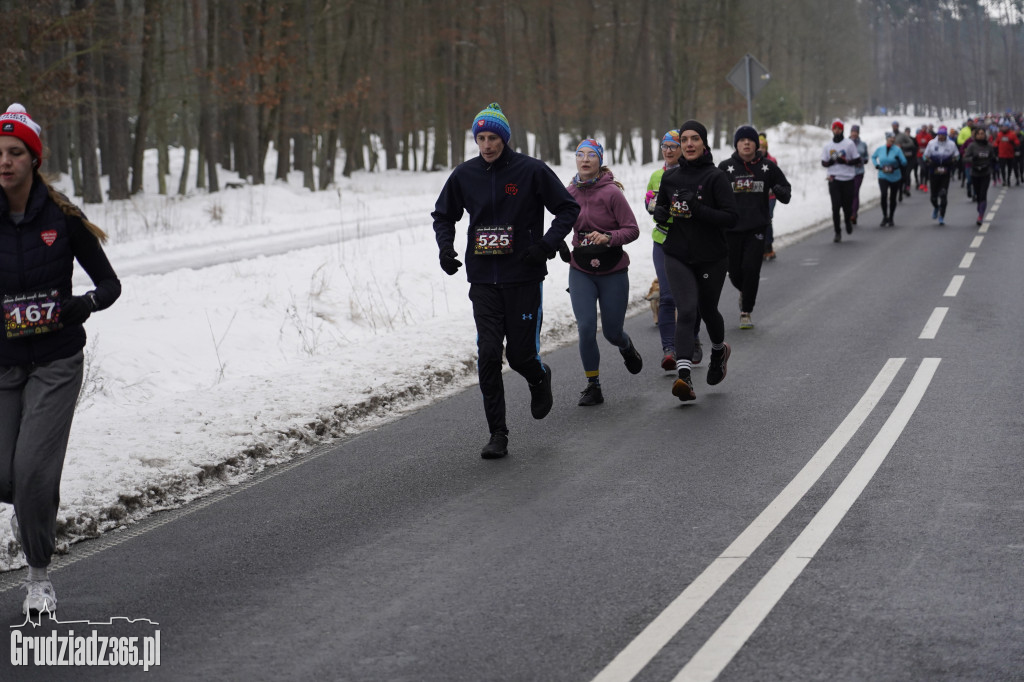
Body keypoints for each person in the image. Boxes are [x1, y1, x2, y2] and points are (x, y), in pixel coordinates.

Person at [0, 103, 121, 615]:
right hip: (4, 362)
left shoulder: (63, 218)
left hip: (56, 360)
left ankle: (38, 579)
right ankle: (29, 508)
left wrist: (82, 305)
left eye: (14, 152)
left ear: (34, 159)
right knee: (6, 475)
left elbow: (110, 285)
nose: (4, 162)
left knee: (31, 472)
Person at [432, 102, 579, 459]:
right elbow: (443, 215)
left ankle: (538, 376)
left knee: (519, 356)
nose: (486, 145)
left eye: (492, 138)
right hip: (483, 279)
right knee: (487, 354)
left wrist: (545, 245)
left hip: (524, 276)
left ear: (504, 138)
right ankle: (498, 433)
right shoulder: (465, 174)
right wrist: (446, 249)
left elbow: (567, 208)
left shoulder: (531, 170)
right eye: (480, 138)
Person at [653, 120, 738, 402]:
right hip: (677, 253)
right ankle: (684, 377)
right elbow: (663, 209)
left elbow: (730, 218)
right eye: (684, 140)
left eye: (694, 139)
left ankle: (719, 351)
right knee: (687, 310)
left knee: (707, 309)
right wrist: (661, 214)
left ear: (703, 143)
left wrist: (697, 207)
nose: (689, 144)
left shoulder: (716, 177)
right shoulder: (671, 178)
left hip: (711, 256)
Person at [561, 139, 641, 406]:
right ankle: (593, 385)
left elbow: (632, 230)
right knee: (585, 327)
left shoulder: (611, 193)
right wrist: (556, 242)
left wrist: (608, 237)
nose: (585, 160)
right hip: (581, 269)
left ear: (600, 160)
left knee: (612, 332)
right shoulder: (569, 192)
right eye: (580, 155)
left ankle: (626, 346)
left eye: (591, 155)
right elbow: (560, 223)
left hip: (613, 269)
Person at [719, 125, 791, 330]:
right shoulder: (725, 167)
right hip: (731, 229)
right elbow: (711, 192)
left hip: (757, 227)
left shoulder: (767, 167)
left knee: (751, 269)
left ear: (756, 145)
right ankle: (745, 291)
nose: (746, 143)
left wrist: (780, 191)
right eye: (742, 140)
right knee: (734, 272)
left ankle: (746, 311)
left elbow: (786, 190)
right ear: (736, 144)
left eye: (750, 140)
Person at [645, 130, 703, 370]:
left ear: (683, 148)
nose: (668, 150)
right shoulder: (656, 176)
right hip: (663, 240)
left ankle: (693, 338)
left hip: (690, 241)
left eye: (673, 146)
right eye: (665, 146)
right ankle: (669, 349)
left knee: (690, 298)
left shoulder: (695, 175)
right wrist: (655, 207)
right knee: (667, 296)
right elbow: (649, 203)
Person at [821, 119, 862, 242]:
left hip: (848, 179)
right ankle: (837, 232)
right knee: (835, 207)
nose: (837, 131)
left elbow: (857, 160)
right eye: (835, 128)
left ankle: (848, 221)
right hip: (834, 179)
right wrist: (831, 161)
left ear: (842, 130)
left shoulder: (849, 144)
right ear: (832, 130)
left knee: (847, 206)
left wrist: (846, 161)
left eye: (839, 128)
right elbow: (824, 162)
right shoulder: (828, 146)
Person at [921, 126, 959, 226]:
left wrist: (952, 162)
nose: (941, 137)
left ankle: (942, 216)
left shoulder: (951, 144)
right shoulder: (931, 143)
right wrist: (929, 162)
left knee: (943, 194)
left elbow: (957, 155)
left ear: (946, 135)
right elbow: (925, 156)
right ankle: (936, 207)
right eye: (939, 135)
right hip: (934, 172)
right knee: (933, 197)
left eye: (943, 135)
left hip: (945, 173)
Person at [871, 131, 908, 227]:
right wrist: (876, 165)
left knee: (893, 197)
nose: (892, 139)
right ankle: (885, 216)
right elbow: (873, 157)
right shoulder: (880, 149)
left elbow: (904, 162)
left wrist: (899, 160)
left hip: (895, 176)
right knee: (884, 195)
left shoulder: (897, 150)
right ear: (887, 139)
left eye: (893, 138)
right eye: (890, 138)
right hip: (883, 175)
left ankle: (891, 217)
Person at [962, 125, 996, 226]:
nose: (981, 135)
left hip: (986, 172)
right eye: (979, 134)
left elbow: (993, 157)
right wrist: (973, 159)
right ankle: (980, 206)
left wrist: (994, 160)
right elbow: (965, 158)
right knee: (978, 194)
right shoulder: (972, 146)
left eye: (982, 134)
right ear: (975, 135)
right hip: (975, 173)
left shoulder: (989, 146)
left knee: (983, 194)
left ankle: (980, 215)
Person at [759, 133, 780, 261]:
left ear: (766, 148)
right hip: (758, 197)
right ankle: (761, 247)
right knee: (759, 221)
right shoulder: (752, 161)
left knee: (767, 219)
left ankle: (768, 246)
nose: (761, 150)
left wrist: (772, 188)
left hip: (770, 197)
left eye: (763, 147)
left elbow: (777, 177)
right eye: (759, 147)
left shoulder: (772, 160)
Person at [848, 124, 869, 225]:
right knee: (848, 194)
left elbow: (866, 158)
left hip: (859, 172)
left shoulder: (863, 144)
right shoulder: (846, 143)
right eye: (853, 132)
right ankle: (849, 212)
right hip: (847, 172)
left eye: (856, 132)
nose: (854, 134)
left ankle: (853, 214)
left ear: (858, 133)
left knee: (855, 192)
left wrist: (862, 161)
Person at [894, 124, 918, 198]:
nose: (907, 133)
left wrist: (910, 153)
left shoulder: (912, 139)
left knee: (907, 174)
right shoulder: (900, 140)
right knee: (902, 176)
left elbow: (916, 149)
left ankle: (907, 188)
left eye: (908, 132)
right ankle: (900, 190)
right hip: (902, 160)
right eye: (906, 132)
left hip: (910, 160)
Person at [915, 125, 933, 191]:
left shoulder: (929, 135)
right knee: (922, 168)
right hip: (919, 155)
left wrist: (924, 143)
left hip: (927, 155)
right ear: (921, 129)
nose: (924, 129)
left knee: (926, 169)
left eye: (925, 128)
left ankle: (925, 184)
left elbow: (931, 144)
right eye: (923, 128)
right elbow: (916, 143)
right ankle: (921, 183)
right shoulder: (918, 135)